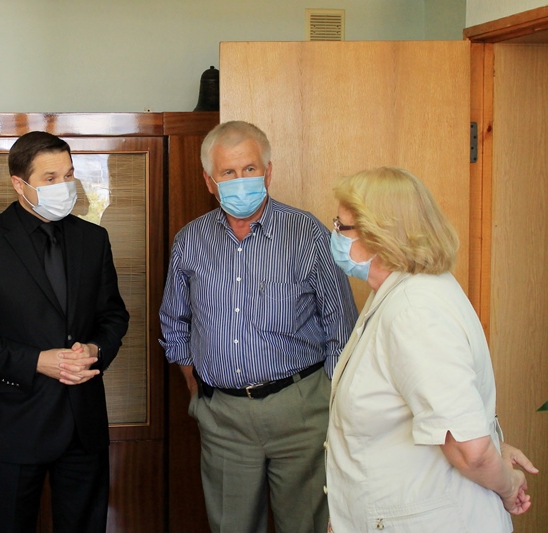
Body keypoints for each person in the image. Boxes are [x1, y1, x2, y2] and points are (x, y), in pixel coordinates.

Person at [160, 120, 358, 533]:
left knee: (304, 525)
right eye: (228, 172)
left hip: (300, 410)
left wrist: (327, 403)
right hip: (223, 417)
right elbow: (174, 324)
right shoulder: (190, 241)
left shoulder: (308, 234)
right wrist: (199, 394)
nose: (240, 180)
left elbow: (342, 327)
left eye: (249, 169)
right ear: (210, 181)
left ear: (268, 172)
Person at [325, 166, 538, 531]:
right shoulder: (399, 293)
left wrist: (509, 486)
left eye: (341, 227)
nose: (335, 235)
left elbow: (469, 449)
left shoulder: (415, 311)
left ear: (377, 236)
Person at [0, 131, 129, 533]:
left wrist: (95, 350)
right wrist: (36, 361)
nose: (64, 186)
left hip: (84, 422)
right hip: (18, 422)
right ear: (19, 184)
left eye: (69, 175)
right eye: (50, 178)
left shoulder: (93, 239)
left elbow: (114, 315)